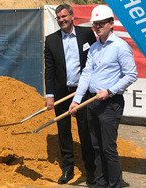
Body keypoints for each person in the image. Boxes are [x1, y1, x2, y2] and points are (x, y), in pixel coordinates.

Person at [69, 5, 138, 188]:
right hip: (92, 102)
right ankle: (101, 182)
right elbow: (86, 74)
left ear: (111, 23)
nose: (97, 27)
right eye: (95, 24)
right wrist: (76, 100)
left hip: (110, 104)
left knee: (108, 148)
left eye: (101, 23)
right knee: (97, 146)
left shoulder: (120, 47)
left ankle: (115, 183)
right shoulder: (94, 48)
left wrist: (110, 91)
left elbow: (131, 75)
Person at [44, 3, 97, 185]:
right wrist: (49, 95)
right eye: (58, 18)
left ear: (72, 16)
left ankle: (90, 170)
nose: (61, 20)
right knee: (64, 132)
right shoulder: (51, 40)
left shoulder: (86, 34)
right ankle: (68, 168)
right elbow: (49, 70)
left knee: (85, 132)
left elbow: (95, 60)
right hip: (61, 93)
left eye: (64, 17)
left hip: (82, 94)